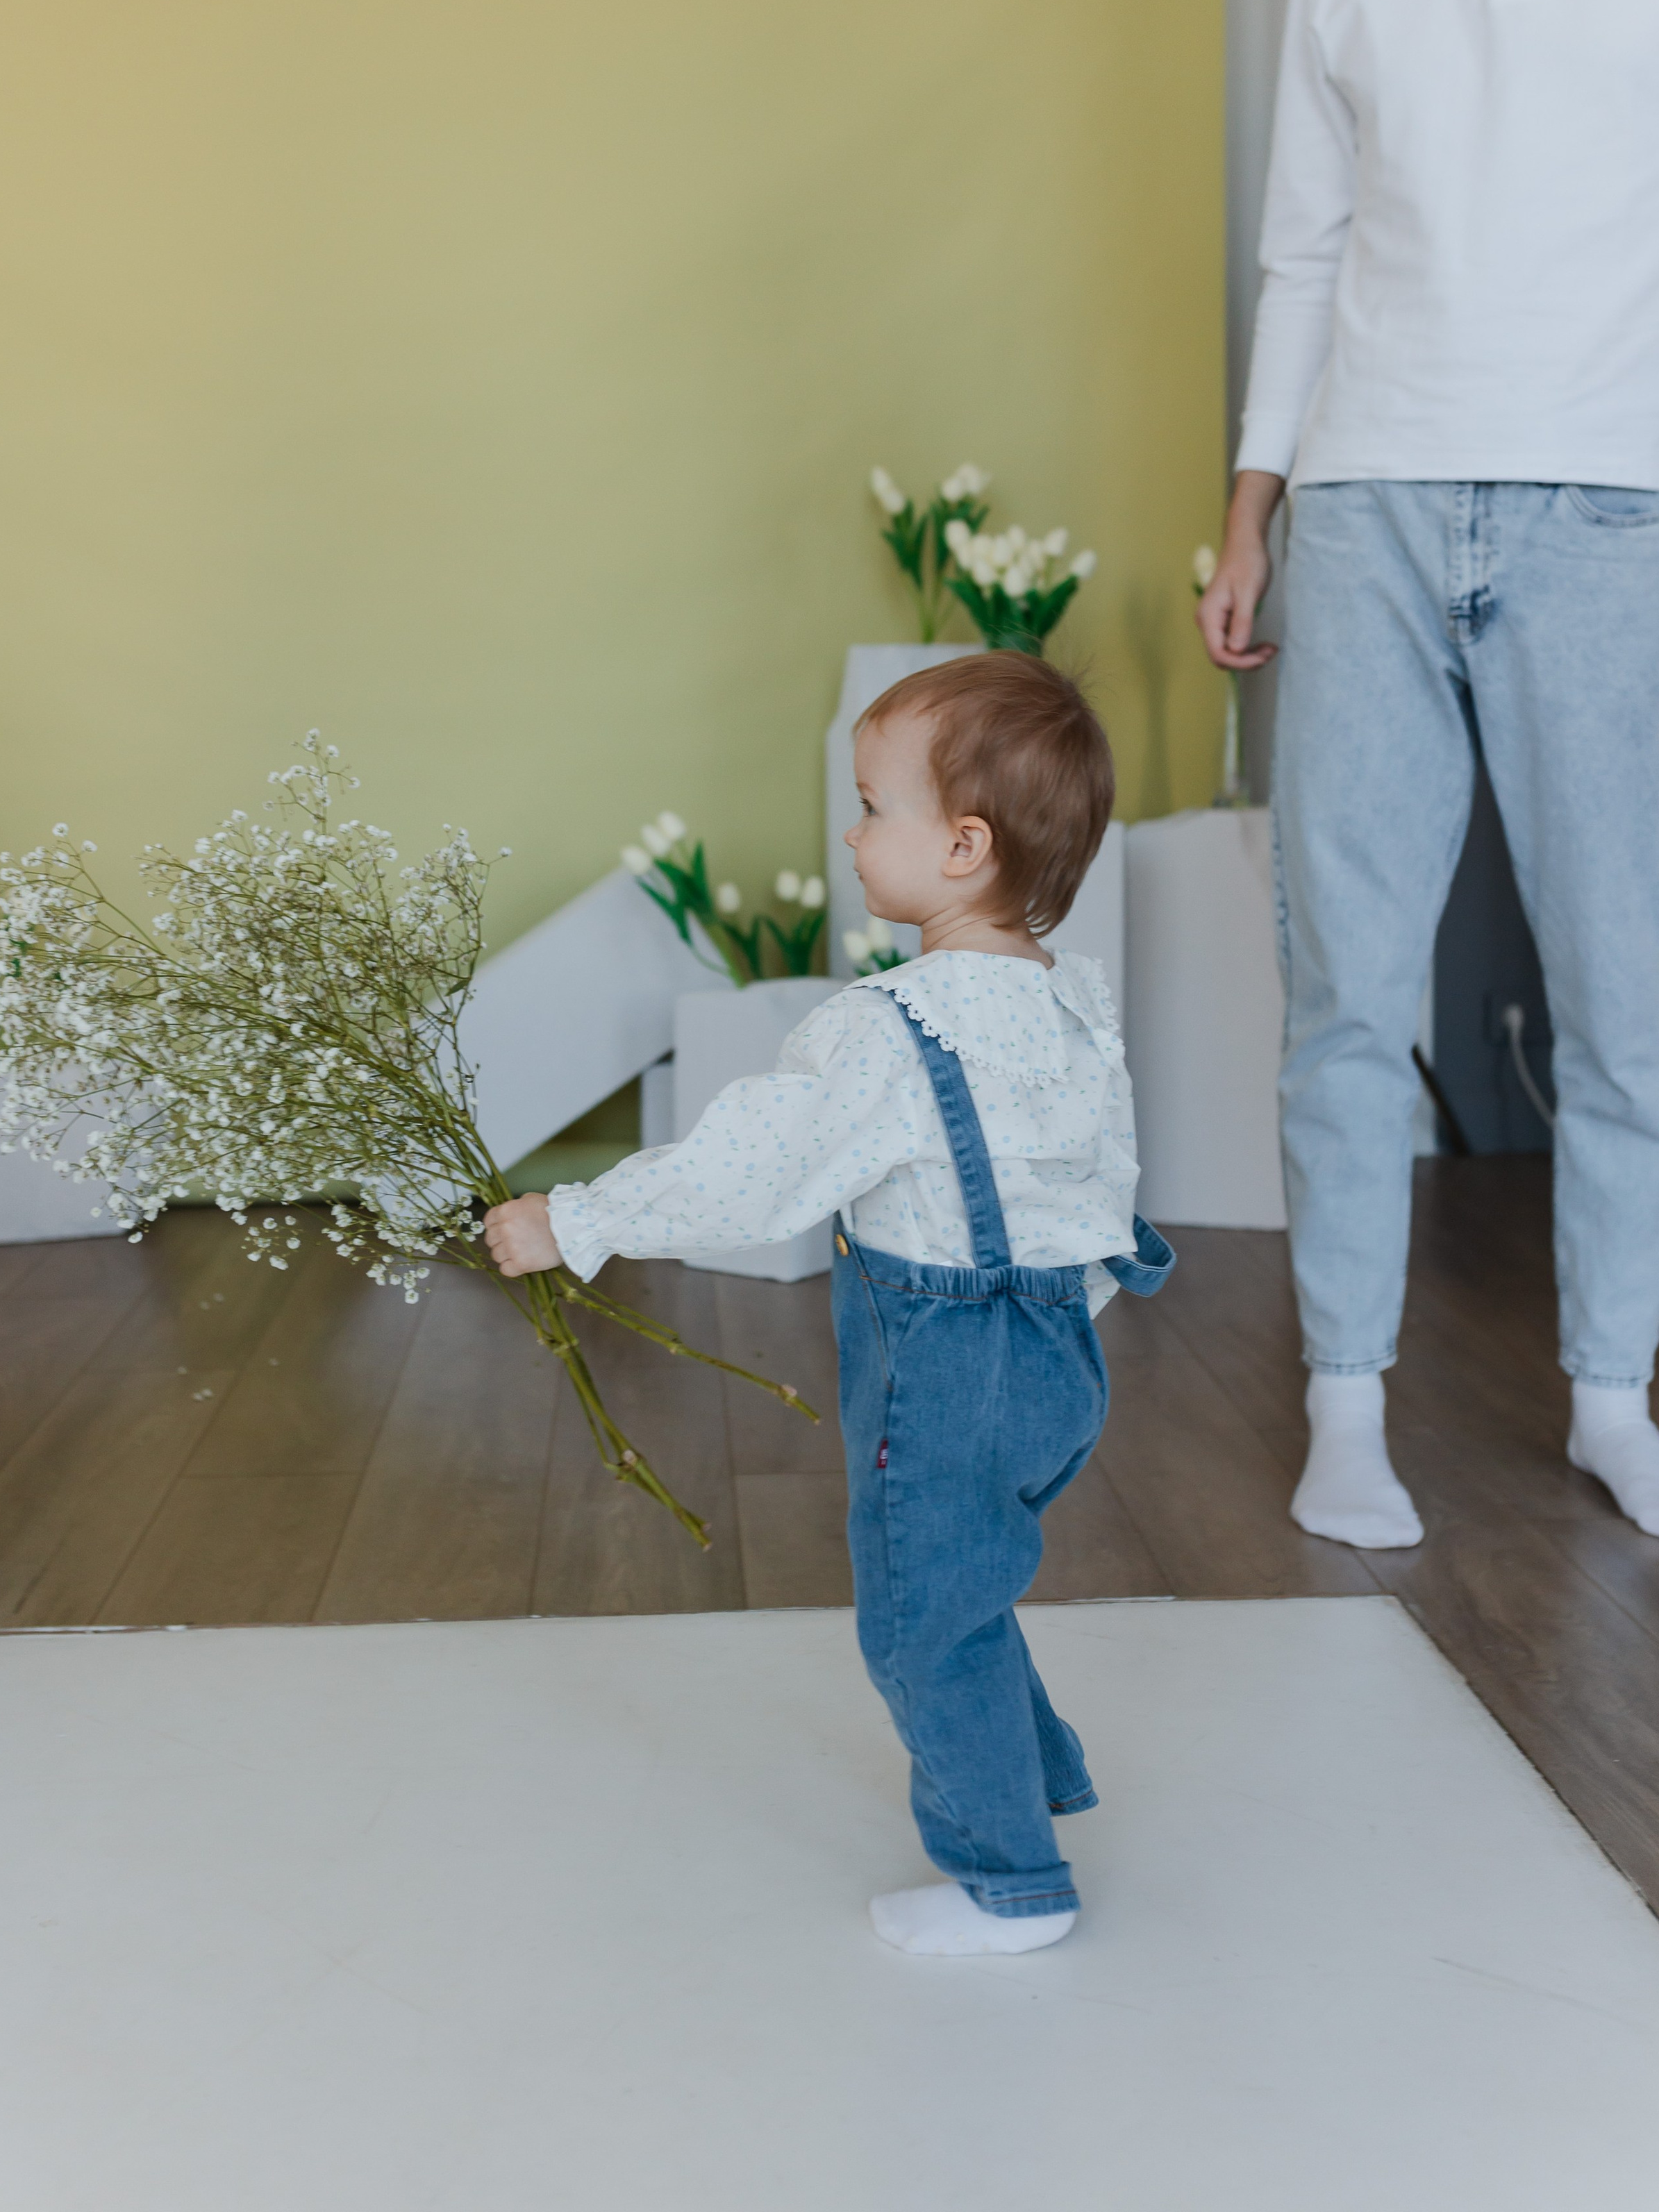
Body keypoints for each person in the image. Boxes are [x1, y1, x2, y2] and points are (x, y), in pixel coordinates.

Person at [1197, 0, 1659, 1548]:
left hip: (1608, 509)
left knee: (1627, 994)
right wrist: (1254, 502)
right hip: (1375, 506)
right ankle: (1344, 1403)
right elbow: (1302, 244)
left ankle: (1604, 1396)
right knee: (1347, 988)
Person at [485, 651, 1172, 1957]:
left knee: (920, 1617)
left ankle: (1009, 1880)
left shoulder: (892, 1028)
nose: (851, 834)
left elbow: (753, 1169)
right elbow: (1100, 1183)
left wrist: (576, 1220)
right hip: (1059, 1357)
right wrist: (1066, 1314)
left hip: (947, 1363)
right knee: (974, 1583)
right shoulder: (1073, 1005)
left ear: (962, 845)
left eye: (871, 806)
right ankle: (1035, 1776)